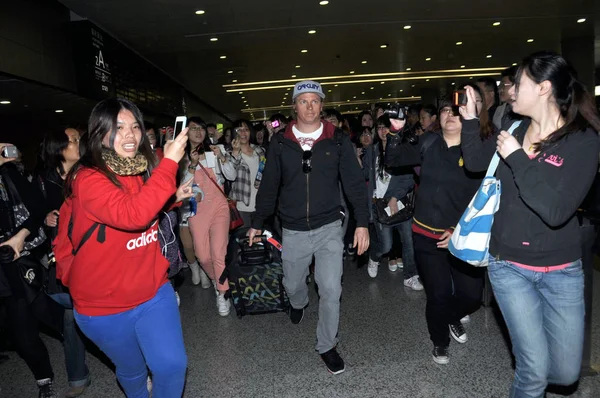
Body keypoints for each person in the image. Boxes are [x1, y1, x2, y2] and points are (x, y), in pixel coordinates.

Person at [460, 51, 600, 397]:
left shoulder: (582, 141)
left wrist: (518, 158)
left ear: (543, 88)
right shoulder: (513, 127)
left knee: (566, 374)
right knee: (533, 371)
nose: (510, 91)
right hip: (508, 266)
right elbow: (476, 163)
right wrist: (469, 119)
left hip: (562, 269)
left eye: (518, 84)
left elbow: (556, 211)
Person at [54, 98, 192, 398]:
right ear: (99, 133)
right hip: (103, 307)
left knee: (171, 366)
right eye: (118, 128)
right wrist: (169, 164)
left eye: (135, 127)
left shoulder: (140, 169)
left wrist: (170, 196)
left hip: (153, 290)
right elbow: (132, 215)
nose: (130, 135)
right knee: (133, 371)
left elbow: (143, 208)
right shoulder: (88, 178)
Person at [248, 80, 370, 375]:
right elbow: (269, 186)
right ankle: (298, 302)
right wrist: (257, 222)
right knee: (293, 284)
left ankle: (327, 344)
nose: (310, 106)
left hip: (329, 226)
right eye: (303, 101)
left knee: (330, 288)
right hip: (292, 229)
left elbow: (354, 184)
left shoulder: (337, 140)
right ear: (294, 106)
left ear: (322, 105)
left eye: (315, 101)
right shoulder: (279, 142)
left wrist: (362, 224)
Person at [385, 93, 492, 365]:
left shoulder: (479, 151)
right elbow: (394, 160)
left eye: (457, 111)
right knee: (439, 293)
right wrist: (395, 132)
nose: (450, 115)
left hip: (462, 236)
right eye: (445, 110)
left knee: (471, 296)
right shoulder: (429, 142)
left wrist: (457, 228)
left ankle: (450, 316)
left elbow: (485, 197)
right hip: (425, 235)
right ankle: (439, 341)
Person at [0, 142, 64, 398]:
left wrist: (19, 237)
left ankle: (47, 377)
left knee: (38, 320)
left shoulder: (8, 174)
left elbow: (37, 208)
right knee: (21, 332)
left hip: (16, 263)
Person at [37, 127, 91, 397]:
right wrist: (45, 219)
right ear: (58, 149)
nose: (78, 143)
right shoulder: (44, 181)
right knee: (70, 315)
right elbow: (32, 216)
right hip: (64, 258)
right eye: (73, 141)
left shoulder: (89, 173)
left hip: (93, 253)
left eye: (79, 139)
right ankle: (78, 377)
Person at [364, 116, 422, 290]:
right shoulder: (371, 151)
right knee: (386, 245)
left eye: (386, 127)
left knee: (408, 240)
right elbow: (366, 177)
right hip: (379, 205)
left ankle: (410, 276)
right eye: (380, 127)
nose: (383, 131)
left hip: (399, 202)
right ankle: (374, 257)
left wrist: (395, 197)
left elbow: (409, 179)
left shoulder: (402, 150)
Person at [184, 118, 231, 316]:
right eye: (193, 128)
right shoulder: (180, 157)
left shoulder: (215, 149)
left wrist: (223, 159)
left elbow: (231, 175)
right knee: (203, 256)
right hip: (197, 211)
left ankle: (223, 292)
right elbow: (182, 187)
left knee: (219, 254)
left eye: (201, 128)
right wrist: (192, 165)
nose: (198, 132)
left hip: (219, 206)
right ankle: (216, 279)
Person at [223, 120, 266, 227]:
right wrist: (236, 153)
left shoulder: (260, 151)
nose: (243, 133)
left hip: (260, 204)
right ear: (234, 132)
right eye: (239, 130)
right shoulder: (228, 153)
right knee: (243, 239)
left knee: (260, 240)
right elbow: (231, 176)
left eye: (246, 129)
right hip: (241, 206)